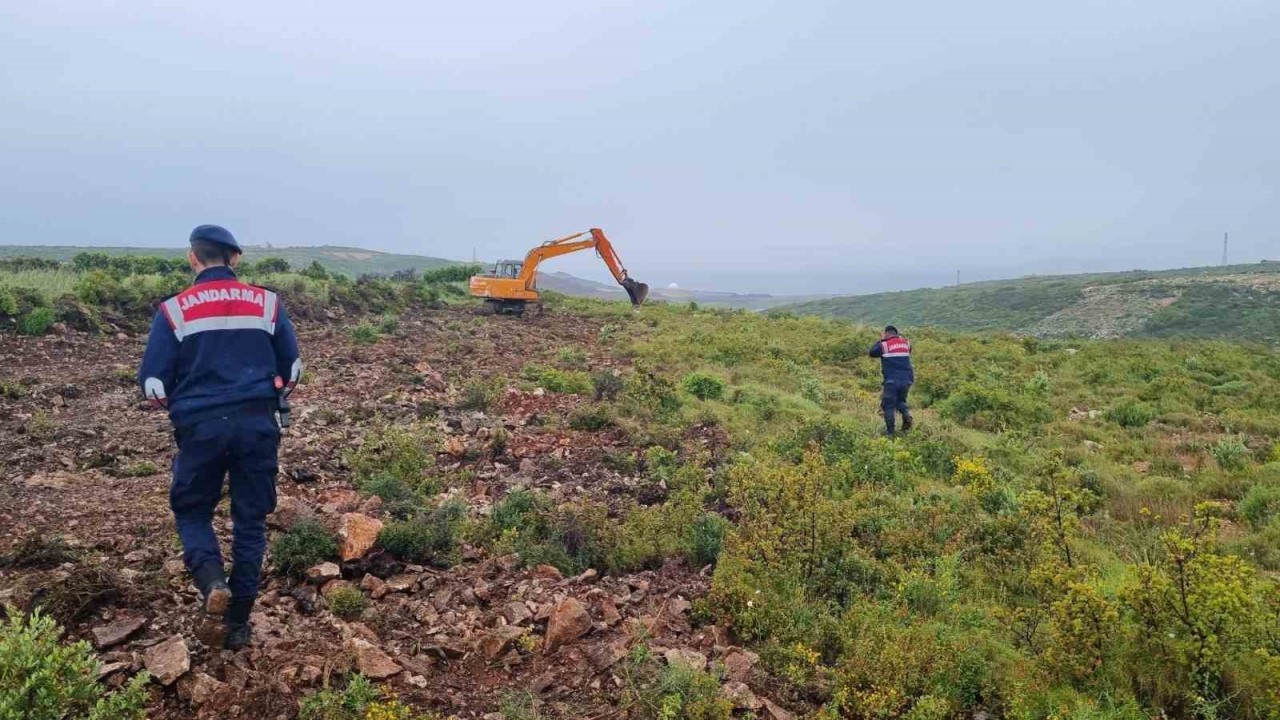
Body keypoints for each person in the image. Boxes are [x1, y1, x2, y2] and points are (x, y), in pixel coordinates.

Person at [138, 224, 301, 649]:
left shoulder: (173, 311)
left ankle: (212, 582)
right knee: (250, 522)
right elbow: (294, 368)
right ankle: (240, 622)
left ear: (193, 258)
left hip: (200, 429)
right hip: (258, 425)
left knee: (191, 510)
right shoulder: (267, 303)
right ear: (236, 258)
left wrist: (182, 405)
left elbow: (152, 382)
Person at [868, 325, 913, 437]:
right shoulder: (906, 343)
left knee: (888, 405)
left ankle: (890, 433)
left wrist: (882, 340)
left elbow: (872, 352)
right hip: (907, 380)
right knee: (900, 401)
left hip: (892, 381)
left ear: (886, 333)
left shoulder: (884, 345)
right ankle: (907, 413)